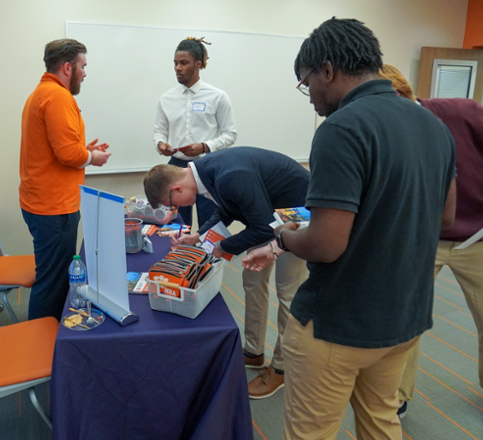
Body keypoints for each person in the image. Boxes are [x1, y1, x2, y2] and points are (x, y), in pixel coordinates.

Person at [242, 18, 456, 439]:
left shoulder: (341, 128)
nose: (309, 98)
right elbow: (444, 218)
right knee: (381, 423)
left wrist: (283, 238)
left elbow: (325, 244)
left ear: (327, 70)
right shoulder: (433, 124)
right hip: (403, 317)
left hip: (339, 323)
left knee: (311, 433)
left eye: (306, 84)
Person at [144, 146, 309, 399]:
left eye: (170, 205)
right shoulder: (204, 172)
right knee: (252, 278)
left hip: (296, 214)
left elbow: (263, 229)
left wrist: (221, 246)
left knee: (288, 293)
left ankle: (281, 369)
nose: (174, 210)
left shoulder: (229, 174)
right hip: (266, 215)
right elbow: (226, 208)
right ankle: (254, 352)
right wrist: (199, 235)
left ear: (177, 189)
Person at [380, 63, 483, 418]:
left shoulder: (463, 112)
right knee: (403, 318)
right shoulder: (381, 131)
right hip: (420, 239)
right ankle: (397, 396)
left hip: (478, 236)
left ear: (402, 95)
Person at [19, 39, 111, 321]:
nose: (84, 73)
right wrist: (90, 157)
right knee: (54, 282)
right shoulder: (58, 96)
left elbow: (63, 149)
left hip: (43, 202)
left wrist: (85, 151)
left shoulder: (42, 92)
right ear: (68, 67)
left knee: (52, 277)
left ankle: (45, 345)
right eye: (83, 66)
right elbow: (68, 154)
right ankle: (43, 353)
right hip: (53, 207)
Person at [153, 37, 237, 228]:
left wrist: (205, 146)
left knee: (210, 225)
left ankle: (208, 258)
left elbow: (230, 134)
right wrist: (161, 144)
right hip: (176, 168)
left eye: (184, 63)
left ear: (198, 65)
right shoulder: (167, 98)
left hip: (208, 167)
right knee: (177, 225)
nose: (177, 68)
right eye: (175, 63)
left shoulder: (217, 96)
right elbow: (159, 130)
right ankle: (179, 258)